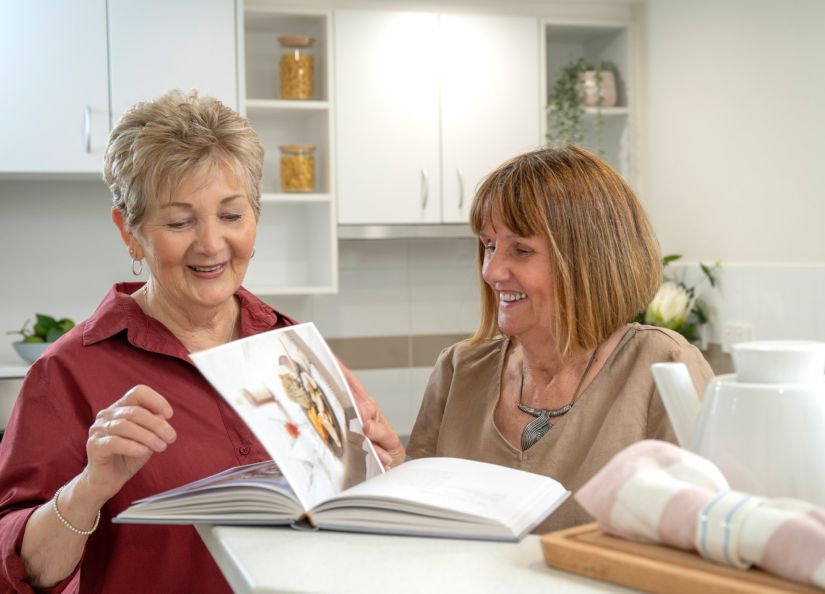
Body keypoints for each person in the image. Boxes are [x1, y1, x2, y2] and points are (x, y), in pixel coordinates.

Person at [0, 90, 404, 593]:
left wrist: (384, 474)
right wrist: (90, 488)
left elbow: (349, 534)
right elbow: (22, 570)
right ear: (129, 232)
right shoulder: (67, 371)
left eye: (232, 216)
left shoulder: (292, 347)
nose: (212, 244)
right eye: (179, 221)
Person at [407, 145, 713, 532]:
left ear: (589, 261)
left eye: (521, 250)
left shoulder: (665, 367)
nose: (492, 270)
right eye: (488, 245)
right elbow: (414, 531)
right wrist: (378, 468)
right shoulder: (458, 370)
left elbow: (704, 537)